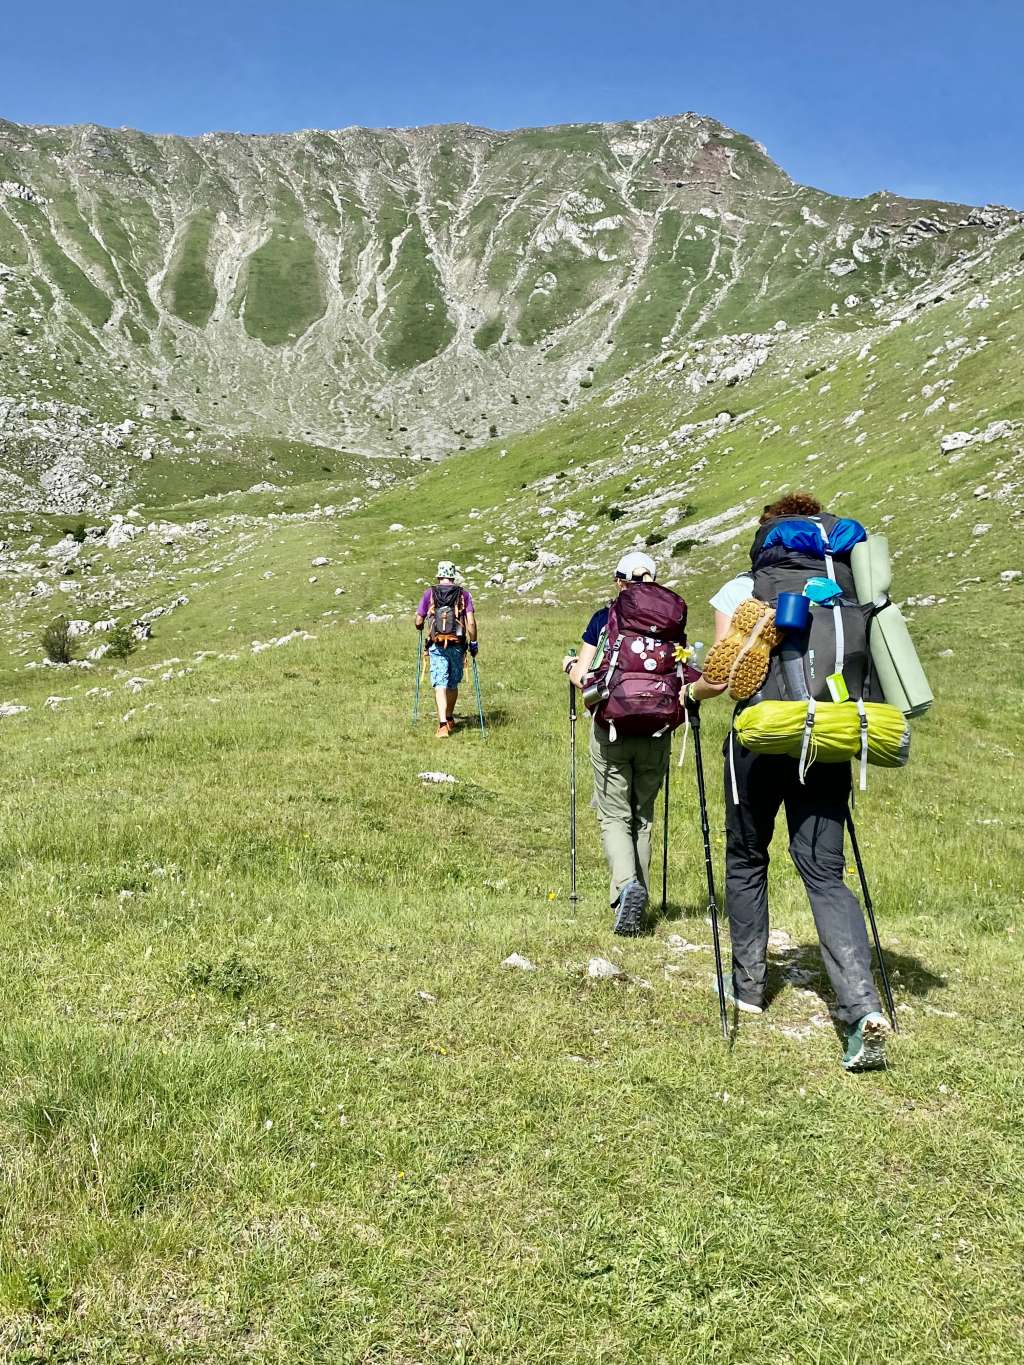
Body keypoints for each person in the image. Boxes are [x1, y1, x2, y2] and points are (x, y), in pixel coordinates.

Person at [693, 491, 891, 1072]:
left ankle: (748, 988)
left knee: (747, 858)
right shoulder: (848, 589)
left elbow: (726, 675)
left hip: (760, 740)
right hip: (827, 736)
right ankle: (860, 1009)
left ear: (767, 536)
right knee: (825, 873)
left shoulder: (745, 588)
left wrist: (691, 693)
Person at [562, 551, 687, 936]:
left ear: (620, 581)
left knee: (614, 815)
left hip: (613, 727)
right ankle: (638, 902)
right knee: (642, 817)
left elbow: (584, 677)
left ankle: (627, 888)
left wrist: (568, 666)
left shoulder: (605, 618)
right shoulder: (671, 620)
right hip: (657, 729)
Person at [414, 560, 477, 738]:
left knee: (440, 683)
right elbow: (471, 623)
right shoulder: (463, 594)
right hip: (457, 645)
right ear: (453, 576)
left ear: (439, 575)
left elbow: (418, 621)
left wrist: (420, 626)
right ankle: (449, 717)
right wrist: (473, 643)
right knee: (452, 683)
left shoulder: (430, 593)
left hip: (437, 644)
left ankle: (442, 725)